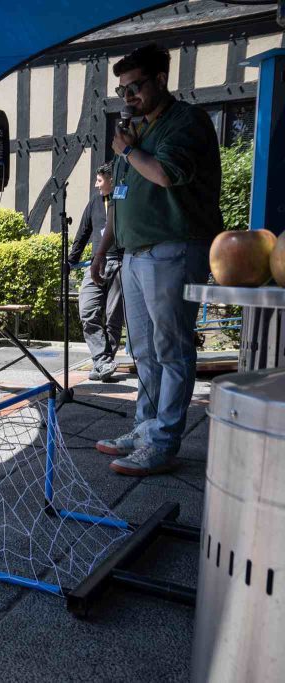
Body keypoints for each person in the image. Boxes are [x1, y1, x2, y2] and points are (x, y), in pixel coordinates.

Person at [91, 43, 222, 477]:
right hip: (134, 253)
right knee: (142, 349)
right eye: (122, 89)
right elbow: (122, 197)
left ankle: (163, 442)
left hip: (175, 247)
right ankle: (146, 428)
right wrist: (106, 246)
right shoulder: (137, 131)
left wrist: (127, 151)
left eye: (136, 87)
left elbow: (165, 174)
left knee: (172, 348)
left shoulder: (186, 122)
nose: (127, 97)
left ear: (162, 79)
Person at [69, 163, 124, 381]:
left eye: (100, 180)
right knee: (88, 311)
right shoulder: (94, 202)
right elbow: (83, 232)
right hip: (96, 264)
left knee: (113, 318)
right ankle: (102, 361)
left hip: (120, 263)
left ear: (111, 180)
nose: (96, 184)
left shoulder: (123, 199)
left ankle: (102, 364)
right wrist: (71, 260)